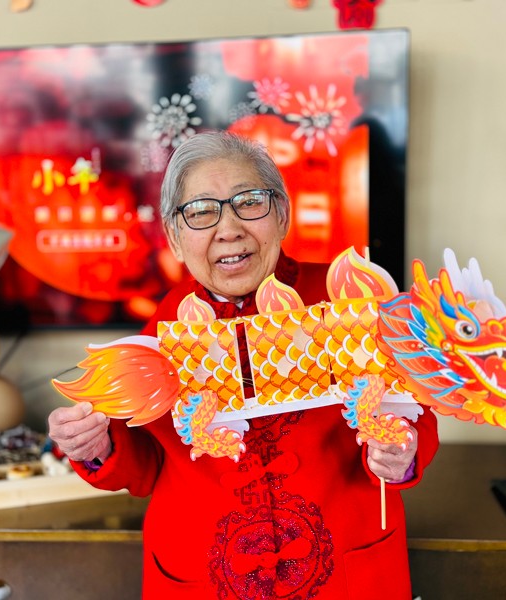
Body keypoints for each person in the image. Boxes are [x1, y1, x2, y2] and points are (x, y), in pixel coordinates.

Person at [48, 130, 439, 599]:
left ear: (282, 214)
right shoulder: (161, 332)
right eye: (201, 211)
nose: (229, 228)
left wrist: (402, 453)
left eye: (249, 202)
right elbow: (144, 464)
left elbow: (415, 408)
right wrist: (95, 444)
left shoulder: (350, 299)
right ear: (174, 237)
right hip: (203, 579)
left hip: (347, 571)